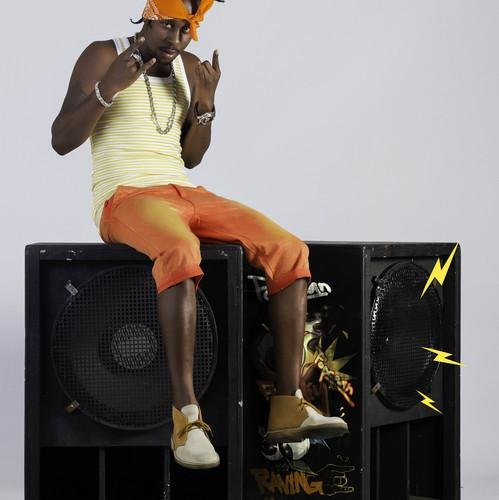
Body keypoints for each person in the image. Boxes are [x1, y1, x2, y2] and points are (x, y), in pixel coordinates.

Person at [51, 0, 348, 470]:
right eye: (168, 27)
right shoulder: (103, 54)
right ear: (148, 16)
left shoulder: (188, 66)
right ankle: (187, 419)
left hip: (184, 191)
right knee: (179, 249)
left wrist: (205, 108)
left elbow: (191, 158)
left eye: (186, 30)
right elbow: (61, 139)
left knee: (288, 249)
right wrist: (109, 89)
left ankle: (287, 405)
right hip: (125, 195)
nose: (176, 39)